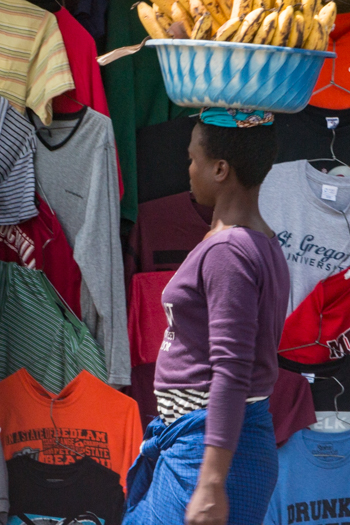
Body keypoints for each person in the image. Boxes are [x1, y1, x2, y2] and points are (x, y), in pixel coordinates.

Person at [124, 109, 291, 525]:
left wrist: (212, 481)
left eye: (192, 159)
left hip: (207, 451)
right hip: (203, 442)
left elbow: (232, 369)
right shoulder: (259, 242)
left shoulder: (228, 252)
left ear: (220, 169)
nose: (189, 170)